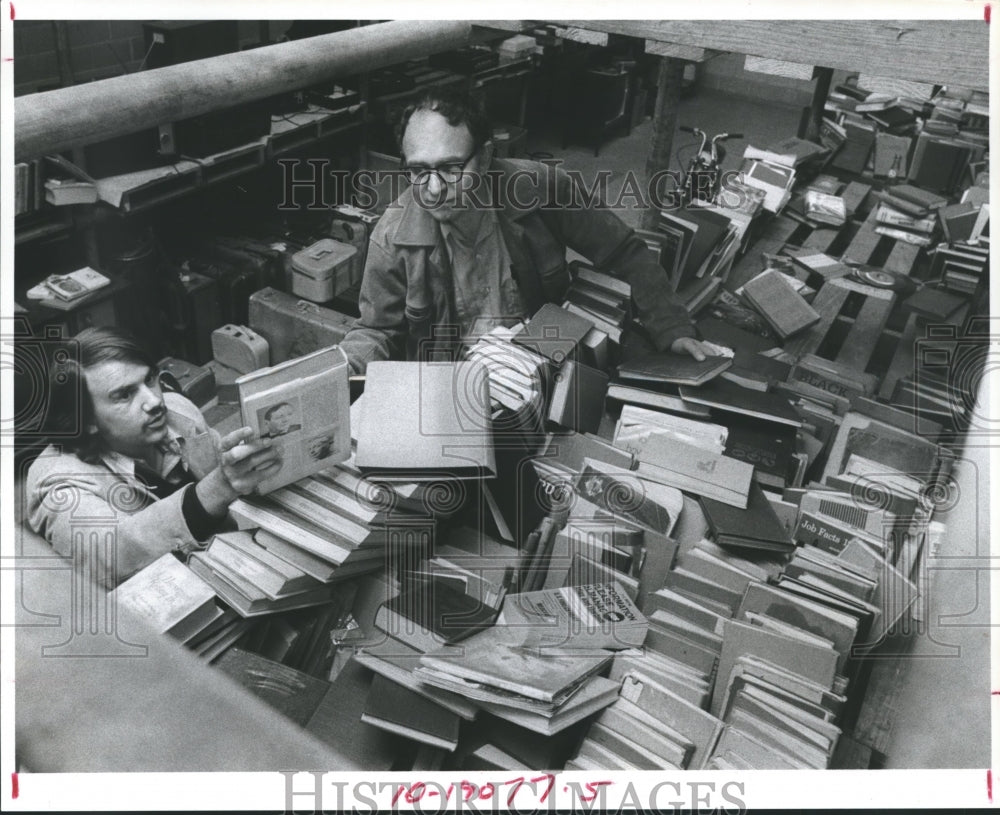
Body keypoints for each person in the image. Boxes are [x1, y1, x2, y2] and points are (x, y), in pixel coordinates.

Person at [339, 88, 715, 374]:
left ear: (484, 159)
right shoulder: (392, 235)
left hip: (542, 362)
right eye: (419, 171)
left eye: (452, 168)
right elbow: (377, 331)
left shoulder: (541, 187)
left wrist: (672, 326)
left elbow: (623, 251)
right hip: (448, 381)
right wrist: (342, 368)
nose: (433, 189)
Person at [25, 326, 282, 588]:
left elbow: (228, 484)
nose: (155, 401)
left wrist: (243, 464)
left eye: (148, 380)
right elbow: (109, 561)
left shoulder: (178, 410)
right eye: (124, 395)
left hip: (229, 561)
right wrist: (219, 487)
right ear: (87, 419)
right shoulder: (57, 485)